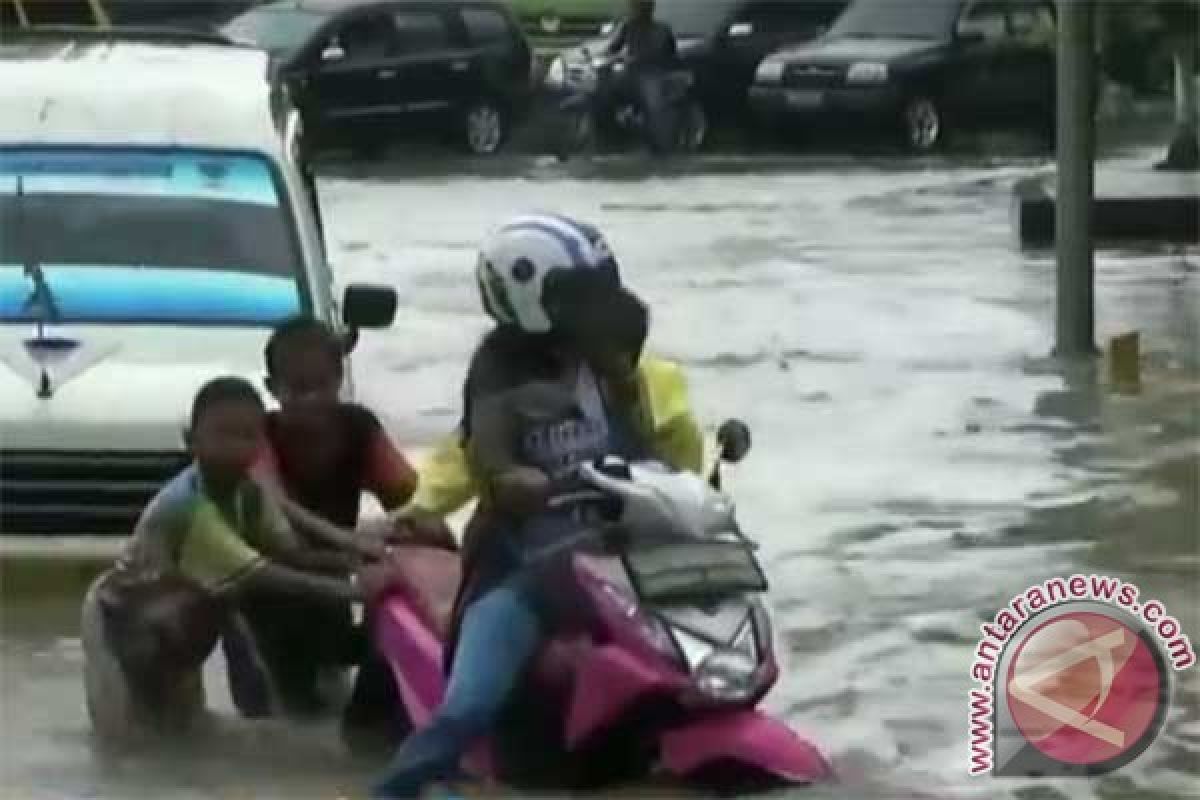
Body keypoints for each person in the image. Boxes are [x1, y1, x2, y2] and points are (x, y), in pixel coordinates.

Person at [371, 214, 704, 799]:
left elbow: (666, 458)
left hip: (619, 563)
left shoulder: (622, 365)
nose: (598, 306)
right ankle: (393, 790)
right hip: (525, 566)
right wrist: (517, 482)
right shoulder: (497, 378)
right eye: (580, 294)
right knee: (468, 707)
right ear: (530, 296)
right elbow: (489, 464)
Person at [81, 376, 382, 748]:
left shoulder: (249, 495)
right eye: (224, 435)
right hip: (121, 619)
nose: (237, 448)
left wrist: (359, 558)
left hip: (178, 617)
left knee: (182, 733)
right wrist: (359, 594)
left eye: (248, 436)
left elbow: (293, 555)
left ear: (262, 443)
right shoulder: (188, 507)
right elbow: (265, 575)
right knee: (126, 744)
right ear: (191, 440)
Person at [226, 315, 453, 735]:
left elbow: (417, 507)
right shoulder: (258, 438)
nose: (311, 400)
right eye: (297, 389)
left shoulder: (358, 430)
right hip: (263, 604)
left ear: (339, 379)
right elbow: (280, 527)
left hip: (330, 599)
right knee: (277, 734)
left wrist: (429, 551)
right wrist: (358, 547)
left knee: (338, 720)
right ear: (272, 389)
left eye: (322, 386)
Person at [604, 0, 680, 153]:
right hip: (631, 74)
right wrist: (616, 57)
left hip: (652, 75)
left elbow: (671, 55)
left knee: (654, 107)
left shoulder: (662, 29)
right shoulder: (628, 27)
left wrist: (637, 58)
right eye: (634, 7)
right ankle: (612, 134)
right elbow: (612, 49)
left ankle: (661, 146)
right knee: (605, 92)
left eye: (638, 6)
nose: (635, 10)